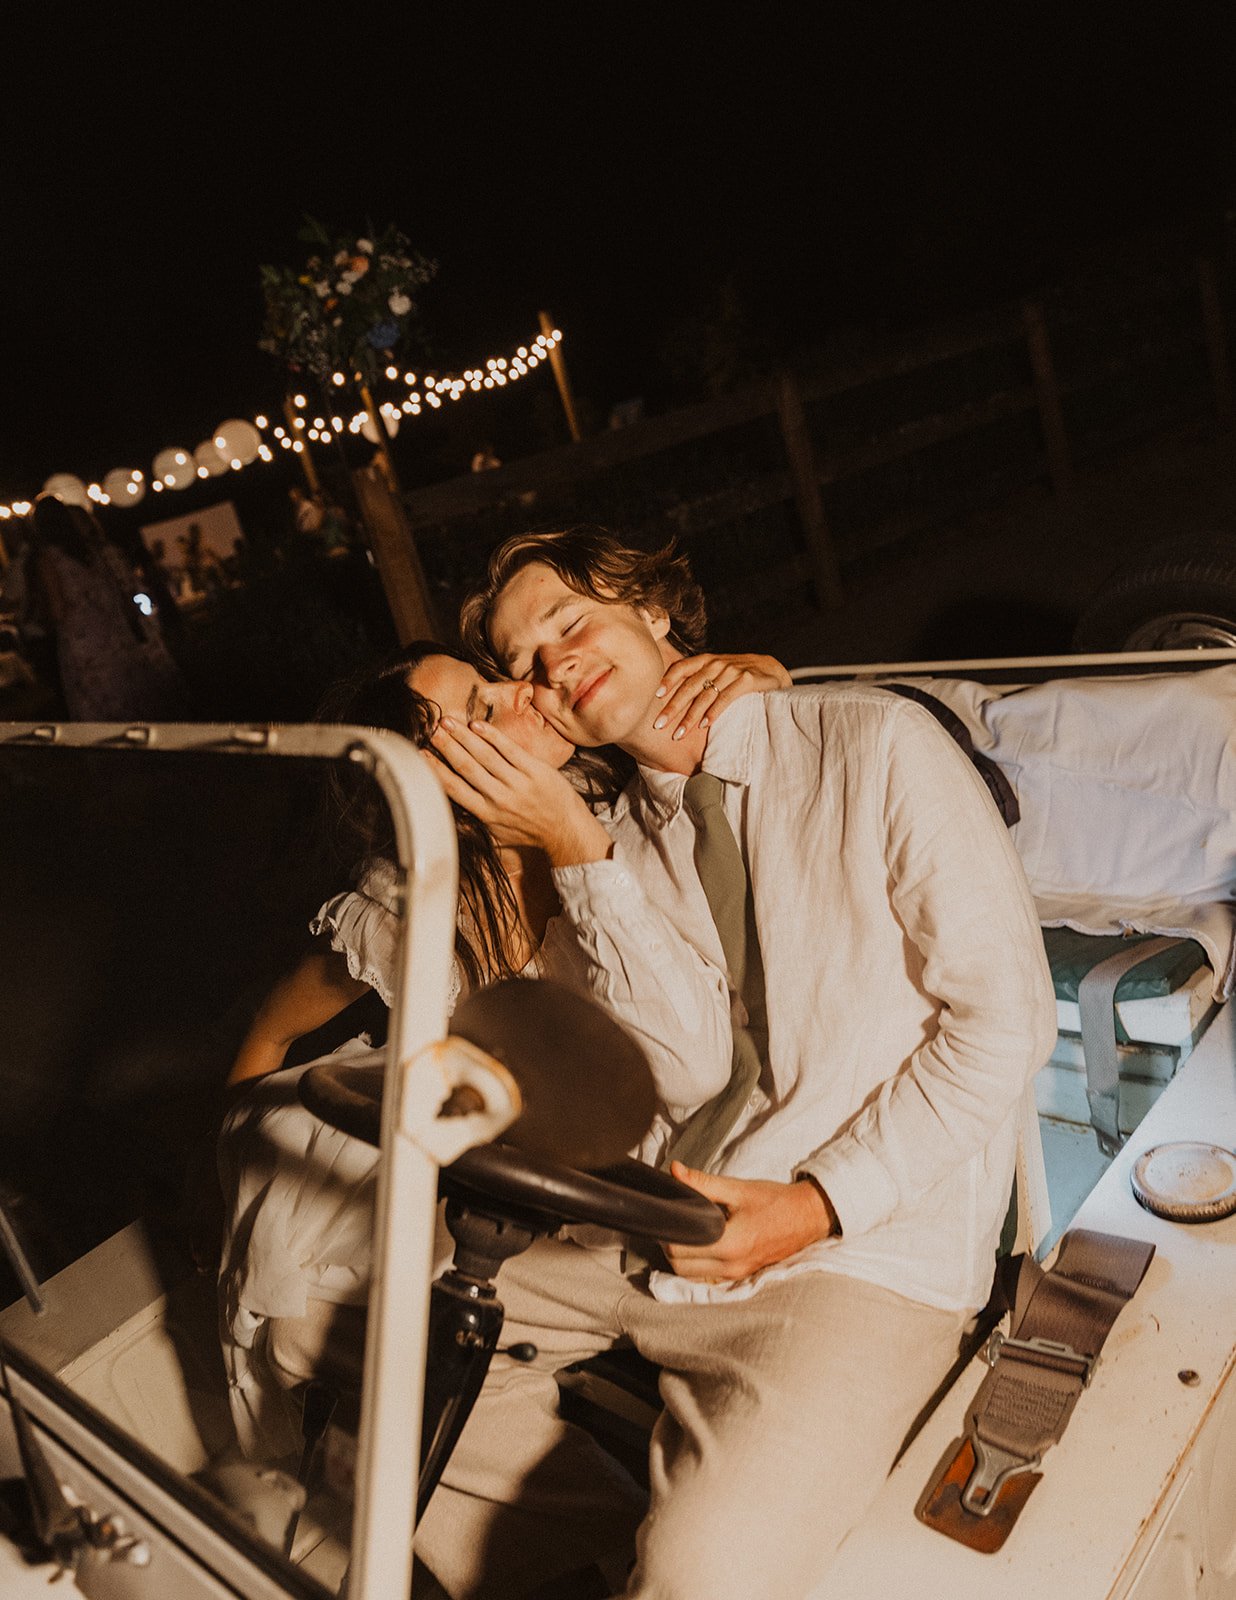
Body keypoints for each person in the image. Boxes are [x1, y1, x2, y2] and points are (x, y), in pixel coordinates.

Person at [405, 526, 1058, 1600]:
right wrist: (571, 845)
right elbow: (673, 1067)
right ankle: (573, 1555)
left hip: (853, 1265)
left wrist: (810, 1206)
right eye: (523, 665)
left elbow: (1002, 1024)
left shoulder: (871, 744)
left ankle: (683, 1542)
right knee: (359, 1331)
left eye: (570, 621)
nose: (554, 665)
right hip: (650, 1238)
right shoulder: (611, 842)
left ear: (655, 611)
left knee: (706, 1573)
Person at [216, 637, 787, 1463]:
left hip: (667, 1162)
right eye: (485, 708)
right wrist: (227, 1177)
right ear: (433, 784)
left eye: (493, 678)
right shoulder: (407, 907)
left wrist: (762, 674)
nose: (522, 690)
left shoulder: (619, 782)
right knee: (302, 1329)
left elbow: (736, 717)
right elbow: (273, 1029)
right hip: (528, 1168)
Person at [25, 495, 188, 721]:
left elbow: (57, 609)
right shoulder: (94, 553)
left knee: (101, 708)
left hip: (83, 643)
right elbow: (122, 598)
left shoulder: (48, 559)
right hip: (114, 637)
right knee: (133, 699)